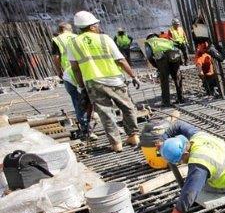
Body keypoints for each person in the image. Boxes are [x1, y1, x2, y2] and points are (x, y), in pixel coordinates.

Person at [65, 11, 140, 152]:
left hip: (93, 82)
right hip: (114, 79)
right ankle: (133, 136)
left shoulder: (73, 43)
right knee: (127, 107)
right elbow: (121, 60)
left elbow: (75, 69)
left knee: (105, 113)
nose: (98, 26)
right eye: (96, 24)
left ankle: (116, 144)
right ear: (92, 27)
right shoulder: (104, 39)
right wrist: (133, 76)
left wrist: (81, 86)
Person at [52, 22, 94, 140]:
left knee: (77, 101)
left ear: (60, 30)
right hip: (85, 71)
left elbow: (56, 58)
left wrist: (59, 71)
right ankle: (92, 125)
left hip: (69, 74)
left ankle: (86, 130)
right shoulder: (78, 37)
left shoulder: (57, 40)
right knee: (89, 100)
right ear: (70, 30)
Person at [145, 33, 184, 106]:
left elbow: (149, 56)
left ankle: (166, 102)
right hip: (174, 56)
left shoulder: (149, 42)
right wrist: (180, 62)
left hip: (162, 59)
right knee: (177, 77)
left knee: (164, 80)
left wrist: (156, 66)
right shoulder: (164, 40)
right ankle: (181, 98)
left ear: (148, 38)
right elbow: (176, 49)